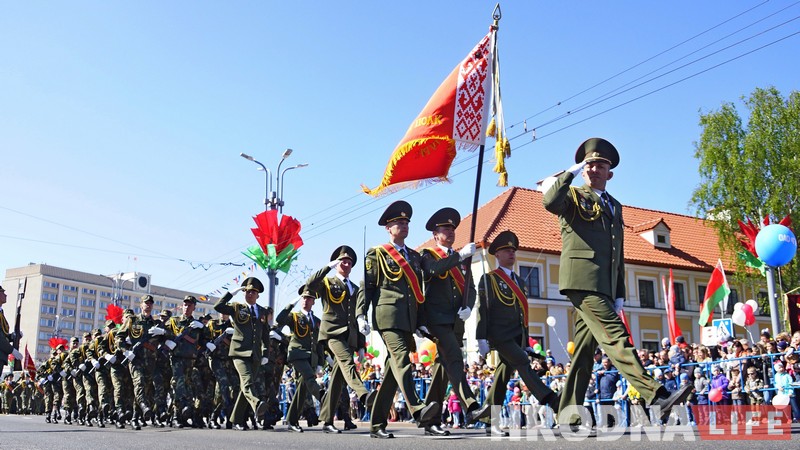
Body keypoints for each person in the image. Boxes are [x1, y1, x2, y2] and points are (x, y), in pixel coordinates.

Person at [542, 137, 692, 428]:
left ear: (610, 173)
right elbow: (550, 201)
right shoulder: (573, 195)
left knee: (584, 354)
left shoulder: (615, 206)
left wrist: (620, 292)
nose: (594, 169)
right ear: (583, 169)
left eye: (601, 165)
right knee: (616, 337)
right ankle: (656, 395)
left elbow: (617, 251)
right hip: (582, 281)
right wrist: (569, 173)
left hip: (606, 285)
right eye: (590, 164)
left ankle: (567, 416)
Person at [356, 200, 440, 439]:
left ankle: (376, 425)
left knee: (393, 373)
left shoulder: (414, 257)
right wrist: (361, 313)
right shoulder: (377, 253)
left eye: (405, 222)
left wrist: (421, 321)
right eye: (398, 223)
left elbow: (418, 292)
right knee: (402, 358)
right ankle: (417, 409)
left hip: (409, 318)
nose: (403, 226)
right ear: (388, 228)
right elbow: (367, 286)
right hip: (387, 317)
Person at [475, 230, 560, 437]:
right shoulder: (489, 279)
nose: (512, 254)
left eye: (513, 250)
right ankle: (553, 401)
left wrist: (526, 339)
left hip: (515, 336)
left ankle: (488, 418)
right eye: (506, 250)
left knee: (503, 376)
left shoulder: (520, 281)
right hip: (498, 335)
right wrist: (481, 337)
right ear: (497, 254)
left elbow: (524, 313)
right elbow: (483, 309)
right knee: (522, 361)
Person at [419, 207, 488, 436]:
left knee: (442, 368)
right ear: (435, 235)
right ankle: (471, 406)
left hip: (456, 321)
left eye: (452, 229)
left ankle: (430, 419)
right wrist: (459, 256)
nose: (450, 232)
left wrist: (468, 306)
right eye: (444, 229)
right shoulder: (429, 255)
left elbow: (470, 288)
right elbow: (433, 271)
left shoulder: (461, 261)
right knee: (455, 358)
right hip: (437, 320)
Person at [305, 245, 375, 434]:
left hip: (350, 336)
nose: (346, 263)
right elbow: (309, 285)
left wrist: (361, 344)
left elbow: (357, 315)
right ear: (337, 263)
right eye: (343, 260)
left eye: (349, 262)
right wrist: (327, 267)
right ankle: (363, 395)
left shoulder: (356, 287)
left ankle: (327, 420)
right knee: (346, 362)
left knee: (337, 379)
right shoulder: (327, 282)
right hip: (332, 333)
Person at [213, 277, 270, 430]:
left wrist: (265, 353)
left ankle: (236, 419)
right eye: (246, 291)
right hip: (239, 352)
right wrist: (233, 292)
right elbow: (218, 306)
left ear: (258, 295)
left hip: (256, 355)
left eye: (253, 292)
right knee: (247, 382)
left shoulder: (263, 311)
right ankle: (257, 404)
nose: (249, 294)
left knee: (245, 388)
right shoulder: (237, 307)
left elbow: (265, 334)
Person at [276, 286, 325, 433]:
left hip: (312, 357)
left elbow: (319, 343)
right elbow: (280, 319)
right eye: (304, 298)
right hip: (297, 354)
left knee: (302, 391)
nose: (305, 300)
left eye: (309, 298)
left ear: (313, 301)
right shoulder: (294, 316)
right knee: (309, 378)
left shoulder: (316, 321)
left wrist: (320, 363)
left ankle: (292, 420)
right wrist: (290, 304)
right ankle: (323, 396)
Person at [0, 286, 24, 378]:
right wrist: (12, 350)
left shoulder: (1, 312)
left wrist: (13, 336)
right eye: (2, 292)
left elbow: (3, 334)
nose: (5, 295)